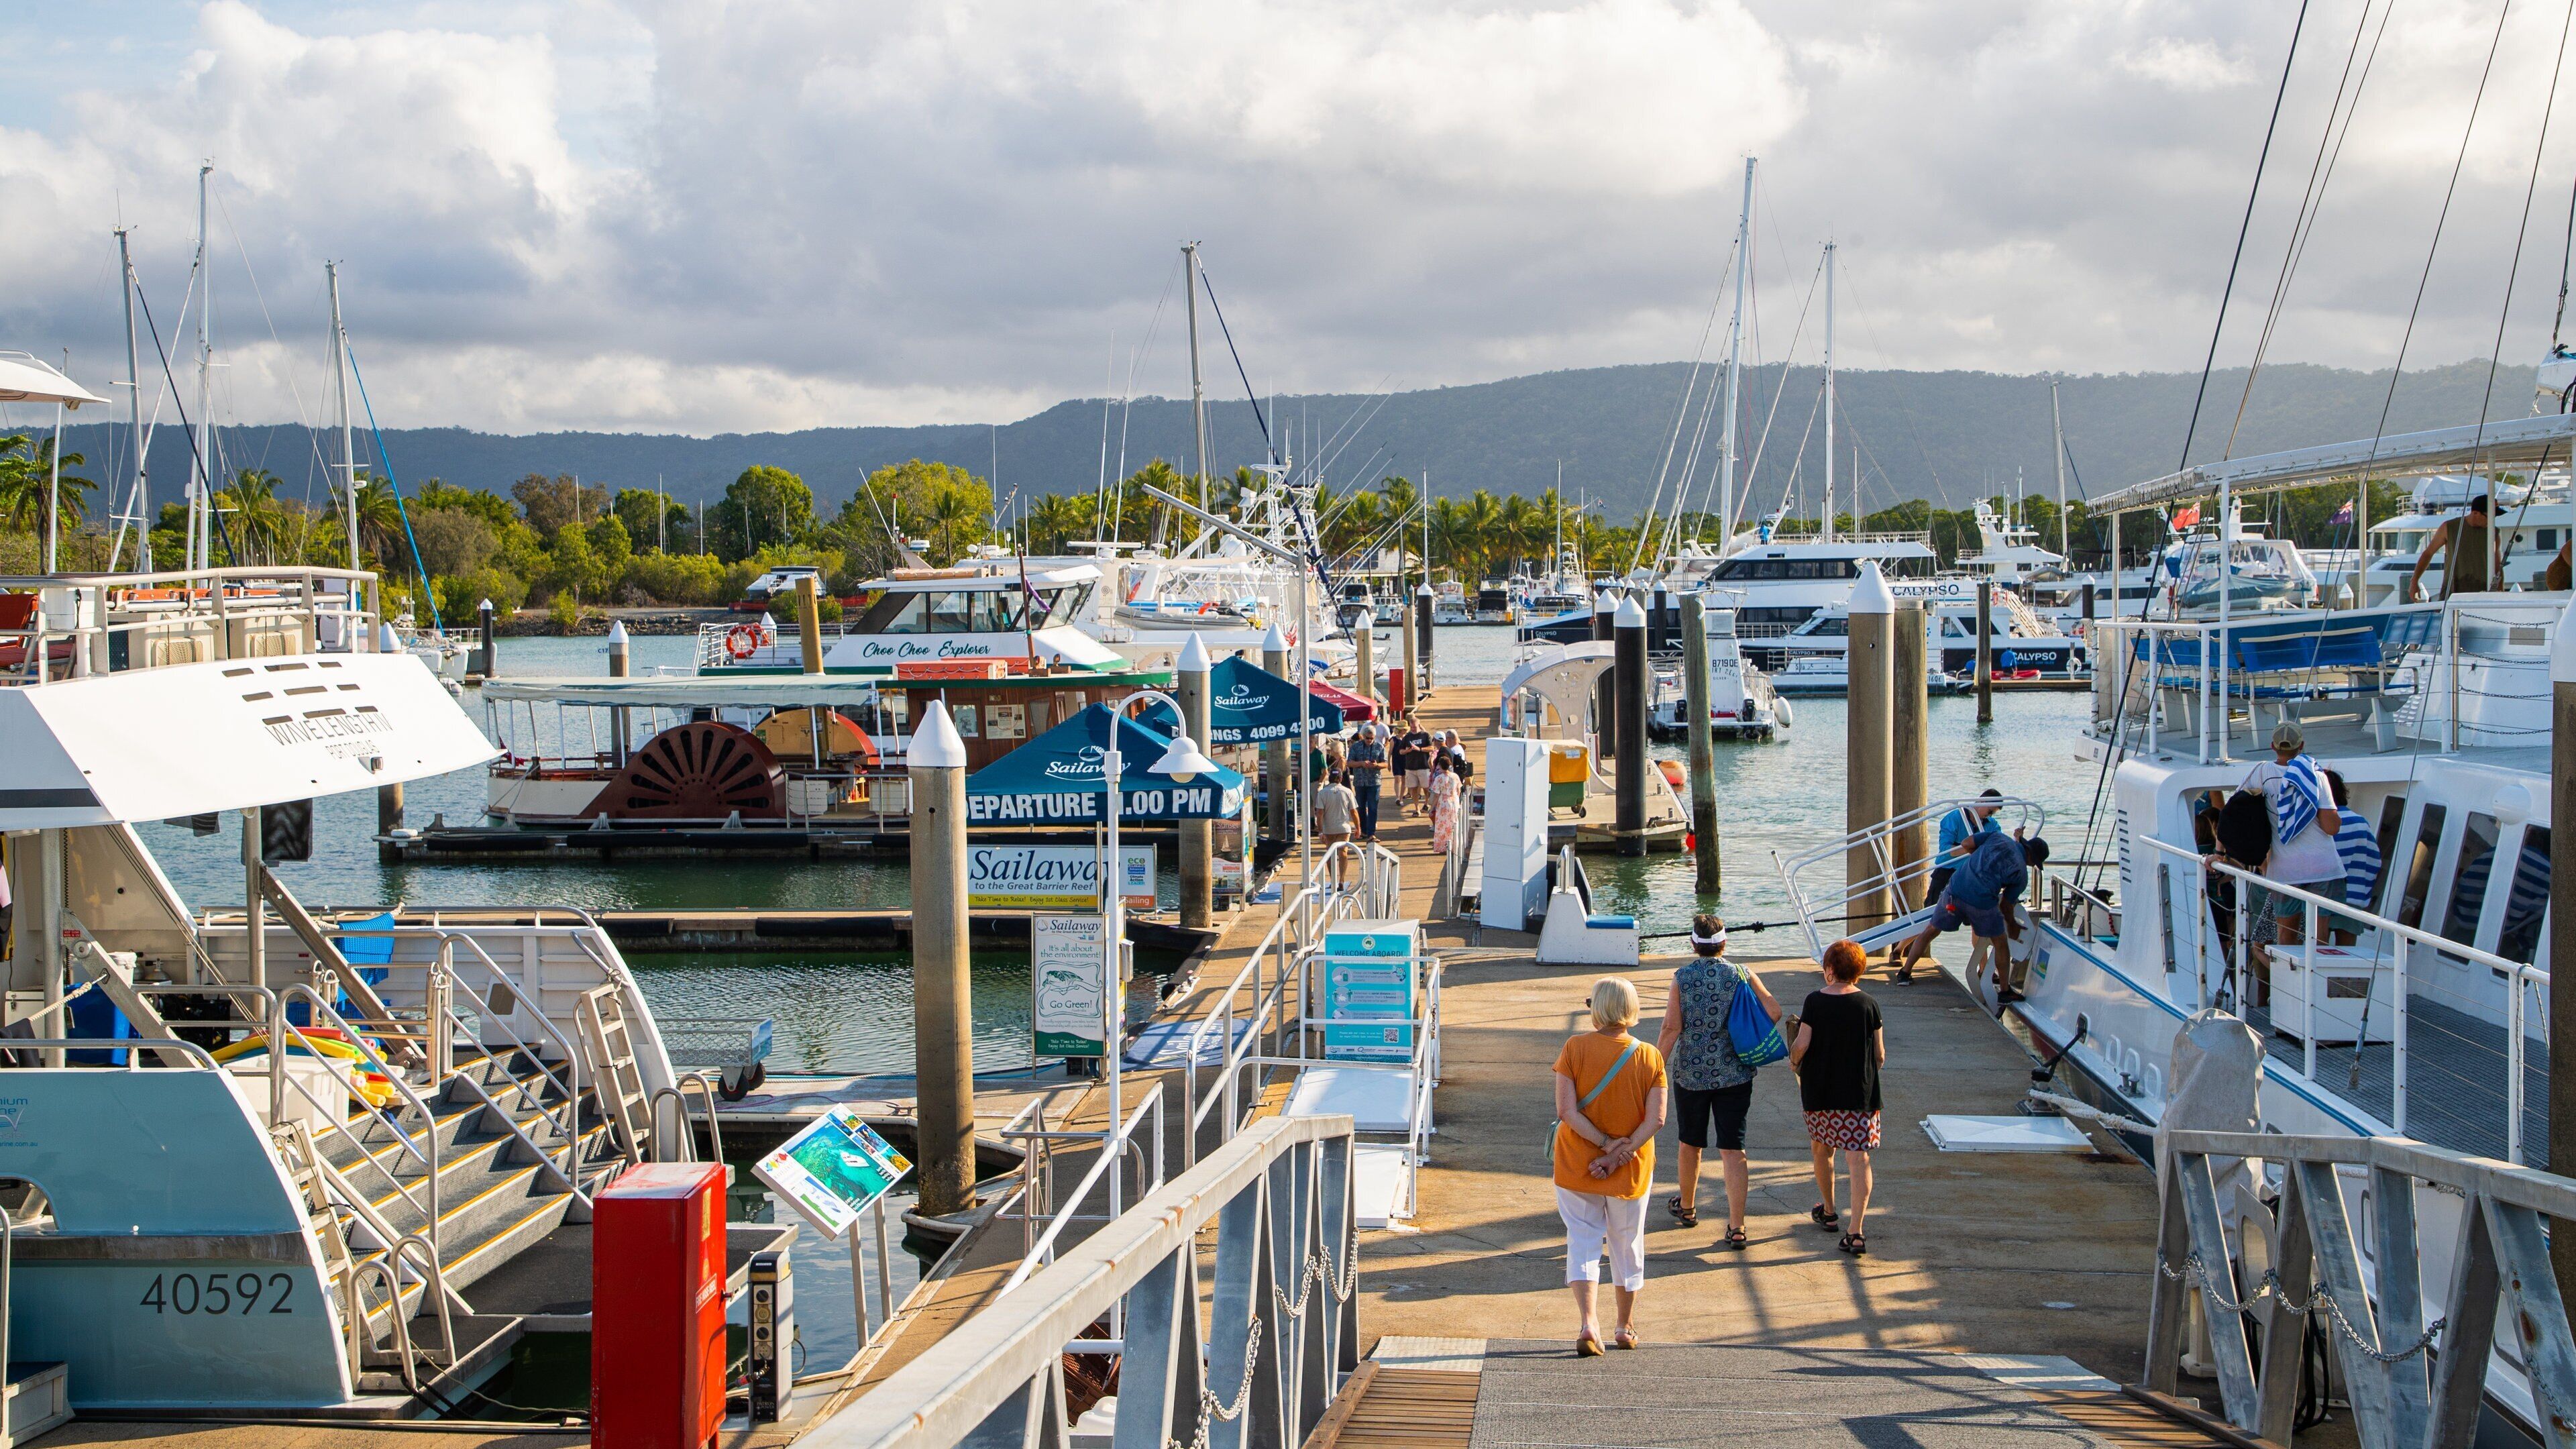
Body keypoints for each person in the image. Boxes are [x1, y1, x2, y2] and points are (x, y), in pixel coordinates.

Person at [1552, 976, 1668, 1354]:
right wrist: (1622, 1151)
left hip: (1577, 1165)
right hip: (1631, 1168)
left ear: (1597, 1008)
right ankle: (1625, 1326)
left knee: (1583, 1240)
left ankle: (1589, 1324)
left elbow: (1566, 1111)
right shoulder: (1650, 1056)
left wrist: (1603, 1146)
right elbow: (1656, 1120)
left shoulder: (1574, 1048)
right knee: (1627, 1241)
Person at [1654, 916, 1784, 1248]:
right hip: (1735, 1074)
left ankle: (1687, 1207)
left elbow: (1671, 1027)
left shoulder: (1682, 977)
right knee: (1733, 1148)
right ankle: (1737, 1227)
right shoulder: (1742, 973)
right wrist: (1741, 1029)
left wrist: (1653, 1067)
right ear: (1725, 943)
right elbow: (1774, 1011)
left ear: (1694, 944)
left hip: (1692, 1076)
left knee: (1690, 1142)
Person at [1791, 939, 1884, 1256]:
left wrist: (1793, 1060)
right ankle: (1856, 1231)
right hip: (1860, 1094)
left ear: (1830, 970)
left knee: (1822, 1149)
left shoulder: (1814, 1002)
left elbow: (1802, 1045)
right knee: (1858, 1159)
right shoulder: (1869, 1004)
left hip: (1820, 1091)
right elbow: (1880, 1055)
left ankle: (1829, 1210)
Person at [1894, 830, 2049, 998]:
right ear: (2032, 858)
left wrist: (1978, 859)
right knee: (2001, 943)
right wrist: (2012, 924)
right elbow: (2006, 905)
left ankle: (1905, 973)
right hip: (1981, 902)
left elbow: (1966, 843)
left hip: (1956, 890)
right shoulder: (2021, 874)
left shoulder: (1997, 836)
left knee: (1931, 929)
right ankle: (2005, 991)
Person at [2239, 722, 2344, 948]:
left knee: (2286, 938)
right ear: (2302, 746)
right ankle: (2313, 982)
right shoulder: (2315, 775)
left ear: (2273, 747)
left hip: (2285, 868)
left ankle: (2285, 983)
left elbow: (2237, 812)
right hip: (2321, 866)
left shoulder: (2261, 773)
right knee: (2319, 941)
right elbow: (2331, 828)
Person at [2324, 769, 2381, 944]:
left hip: (2320, 898)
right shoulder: (2360, 822)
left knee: (2317, 951)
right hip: (2353, 897)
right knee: (2347, 953)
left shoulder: (2317, 823)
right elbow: (2373, 860)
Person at [2409, 494, 2499, 601]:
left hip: (2484, 595)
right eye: (2490, 516)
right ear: (2475, 513)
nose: (2492, 520)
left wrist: (2500, 589)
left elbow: (2497, 562)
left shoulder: (2494, 532)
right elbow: (2428, 553)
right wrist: (2414, 581)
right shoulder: (2449, 527)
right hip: (2452, 593)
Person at [1927, 790, 2004, 909]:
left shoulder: (1992, 825)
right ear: (1982, 801)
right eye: (1990, 812)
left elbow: (1999, 846)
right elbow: (1945, 850)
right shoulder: (1955, 818)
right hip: (1947, 869)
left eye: (1993, 814)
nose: (1990, 815)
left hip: (1971, 873)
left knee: (1977, 913)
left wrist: (2017, 839)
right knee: (1932, 910)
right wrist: (1971, 848)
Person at [1313, 768, 1357, 884]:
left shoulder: (1322, 793)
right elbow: (1354, 812)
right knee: (1343, 852)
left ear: (1329, 779)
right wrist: (1358, 828)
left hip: (1329, 830)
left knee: (1330, 853)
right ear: (1341, 778)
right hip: (1344, 828)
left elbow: (1320, 814)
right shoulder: (1347, 791)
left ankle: (1333, 880)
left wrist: (1321, 831)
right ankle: (1342, 880)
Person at [1346, 724, 1387, 841]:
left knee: (1373, 808)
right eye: (1367, 738)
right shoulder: (1355, 747)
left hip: (1374, 781)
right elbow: (1349, 763)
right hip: (1360, 781)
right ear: (1363, 736)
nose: (1369, 740)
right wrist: (1362, 763)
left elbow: (1386, 764)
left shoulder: (1380, 747)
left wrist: (1377, 765)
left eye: (1372, 738)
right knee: (1361, 808)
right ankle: (1363, 831)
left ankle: (1371, 834)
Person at [1428, 753, 1463, 854]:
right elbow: (1459, 790)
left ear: (1440, 765)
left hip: (1444, 802)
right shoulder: (1455, 776)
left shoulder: (1439, 778)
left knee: (1442, 825)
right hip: (1454, 800)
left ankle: (1443, 847)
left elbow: (1436, 795)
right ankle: (1454, 846)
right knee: (1453, 824)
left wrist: (1432, 809)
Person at [1399, 717, 1435, 808]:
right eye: (1411, 727)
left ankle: (1427, 803)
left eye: (1414, 727)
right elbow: (1401, 751)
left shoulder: (1425, 735)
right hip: (1410, 767)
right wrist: (1407, 751)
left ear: (1419, 725)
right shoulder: (1407, 737)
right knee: (1413, 789)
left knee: (1426, 788)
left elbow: (1432, 748)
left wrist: (1419, 749)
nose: (1413, 729)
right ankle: (1417, 808)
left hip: (1423, 766)